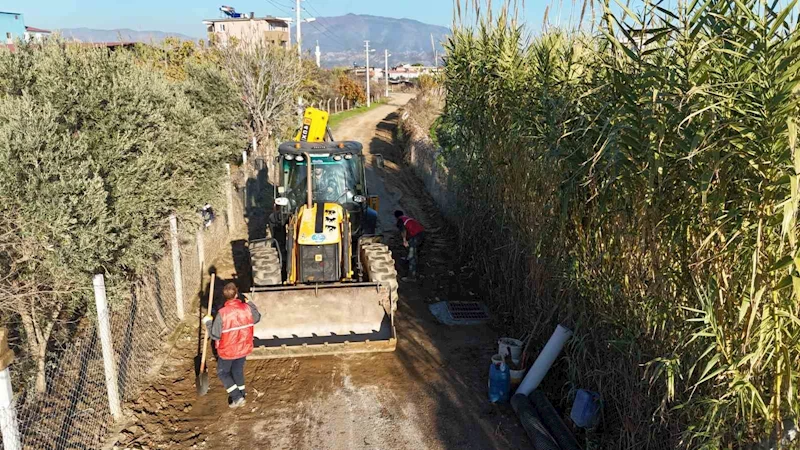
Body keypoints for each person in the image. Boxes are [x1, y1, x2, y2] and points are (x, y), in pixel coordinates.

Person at [202, 282, 261, 408]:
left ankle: (237, 396)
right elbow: (257, 318)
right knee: (237, 370)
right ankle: (241, 395)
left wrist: (208, 322)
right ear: (236, 294)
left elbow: (215, 335)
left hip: (228, 351)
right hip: (244, 347)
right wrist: (249, 302)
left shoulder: (222, 313)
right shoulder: (246, 308)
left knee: (223, 372)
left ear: (225, 296)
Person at [394, 210, 425, 281]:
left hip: (416, 236)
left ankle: (411, 277)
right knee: (415, 252)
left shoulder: (400, 220)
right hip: (422, 234)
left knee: (412, 256)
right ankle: (415, 269)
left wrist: (404, 240)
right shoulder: (408, 219)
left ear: (396, 217)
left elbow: (403, 230)